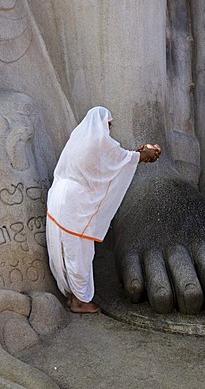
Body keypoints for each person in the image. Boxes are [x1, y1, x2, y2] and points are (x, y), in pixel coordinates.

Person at [46, 106, 161, 313]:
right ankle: (80, 301)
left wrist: (134, 155)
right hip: (75, 204)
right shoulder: (99, 142)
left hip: (59, 198)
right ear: (100, 124)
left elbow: (112, 163)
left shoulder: (78, 139)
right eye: (108, 125)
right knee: (80, 251)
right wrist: (148, 152)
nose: (108, 130)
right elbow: (120, 159)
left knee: (67, 250)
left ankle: (73, 297)